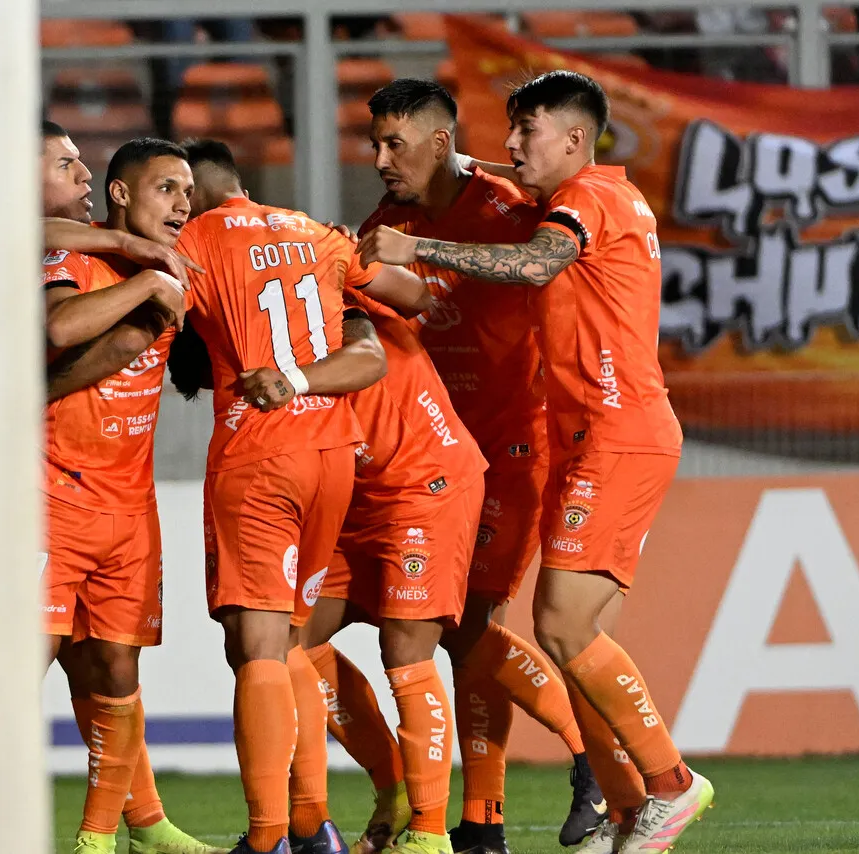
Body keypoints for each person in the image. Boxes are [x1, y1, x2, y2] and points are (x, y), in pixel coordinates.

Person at [357, 70, 713, 854]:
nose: (512, 145)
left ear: (576, 139)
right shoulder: (562, 195)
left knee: (547, 624)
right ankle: (626, 806)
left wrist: (418, 244)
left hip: (602, 435)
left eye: (527, 131)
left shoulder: (585, 199)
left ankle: (669, 784)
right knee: (576, 642)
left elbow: (533, 264)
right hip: (585, 437)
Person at [0, 125, 215, 854]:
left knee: (106, 663)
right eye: (66, 162)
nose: (83, 172)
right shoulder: (19, 245)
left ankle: (139, 822)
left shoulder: (84, 247)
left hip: (110, 499)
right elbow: (54, 324)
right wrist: (139, 271)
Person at [308, 79, 604, 854]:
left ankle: (589, 759)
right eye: (373, 144)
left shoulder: (511, 201)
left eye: (393, 144)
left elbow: (550, 258)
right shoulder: (384, 223)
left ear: (440, 143)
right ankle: (481, 824)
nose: (378, 159)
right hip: (431, 459)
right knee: (454, 634)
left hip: (515, 447)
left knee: (469, 627)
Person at [168, 138, 421, 854]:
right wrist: (354, 298)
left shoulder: (195, 238)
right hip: (332, 454)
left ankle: (269, 836)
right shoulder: (313, 229)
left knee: (255, 648)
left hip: (260, 454)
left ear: (193, 191)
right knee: (289, 646)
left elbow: (157, 314)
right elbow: (412, 292)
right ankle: (314, 827)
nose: (173, 206)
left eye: (175, 193)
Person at [297, 267, 489, 854]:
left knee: (408, 653)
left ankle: (429, 833)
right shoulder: (261, 306)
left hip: (421, 484)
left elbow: (420, 295)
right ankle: (394, 790)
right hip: (353, 493)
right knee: (289, 643)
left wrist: (368, 259)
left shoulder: (335, 274)